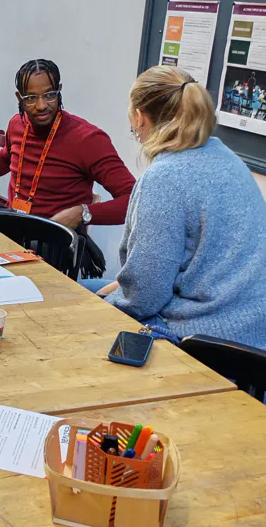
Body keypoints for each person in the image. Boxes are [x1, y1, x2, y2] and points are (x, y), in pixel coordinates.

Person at [95, 66, 266, 348]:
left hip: (205, 335)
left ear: (139, 117)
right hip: (254, 329)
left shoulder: (165, 177)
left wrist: (108, 298)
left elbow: (144, 297)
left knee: (78, 307)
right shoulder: (226, 156)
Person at [0, 59, 135, 274]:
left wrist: (82, 213)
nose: (41, 105)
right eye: (31, 98)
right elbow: (7, 157)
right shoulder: (17, 125)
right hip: (12, 235)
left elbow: (132, 200)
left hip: (55, 248)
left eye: (50, 95)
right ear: (19, 98)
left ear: (60, 91)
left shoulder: (88, 139)